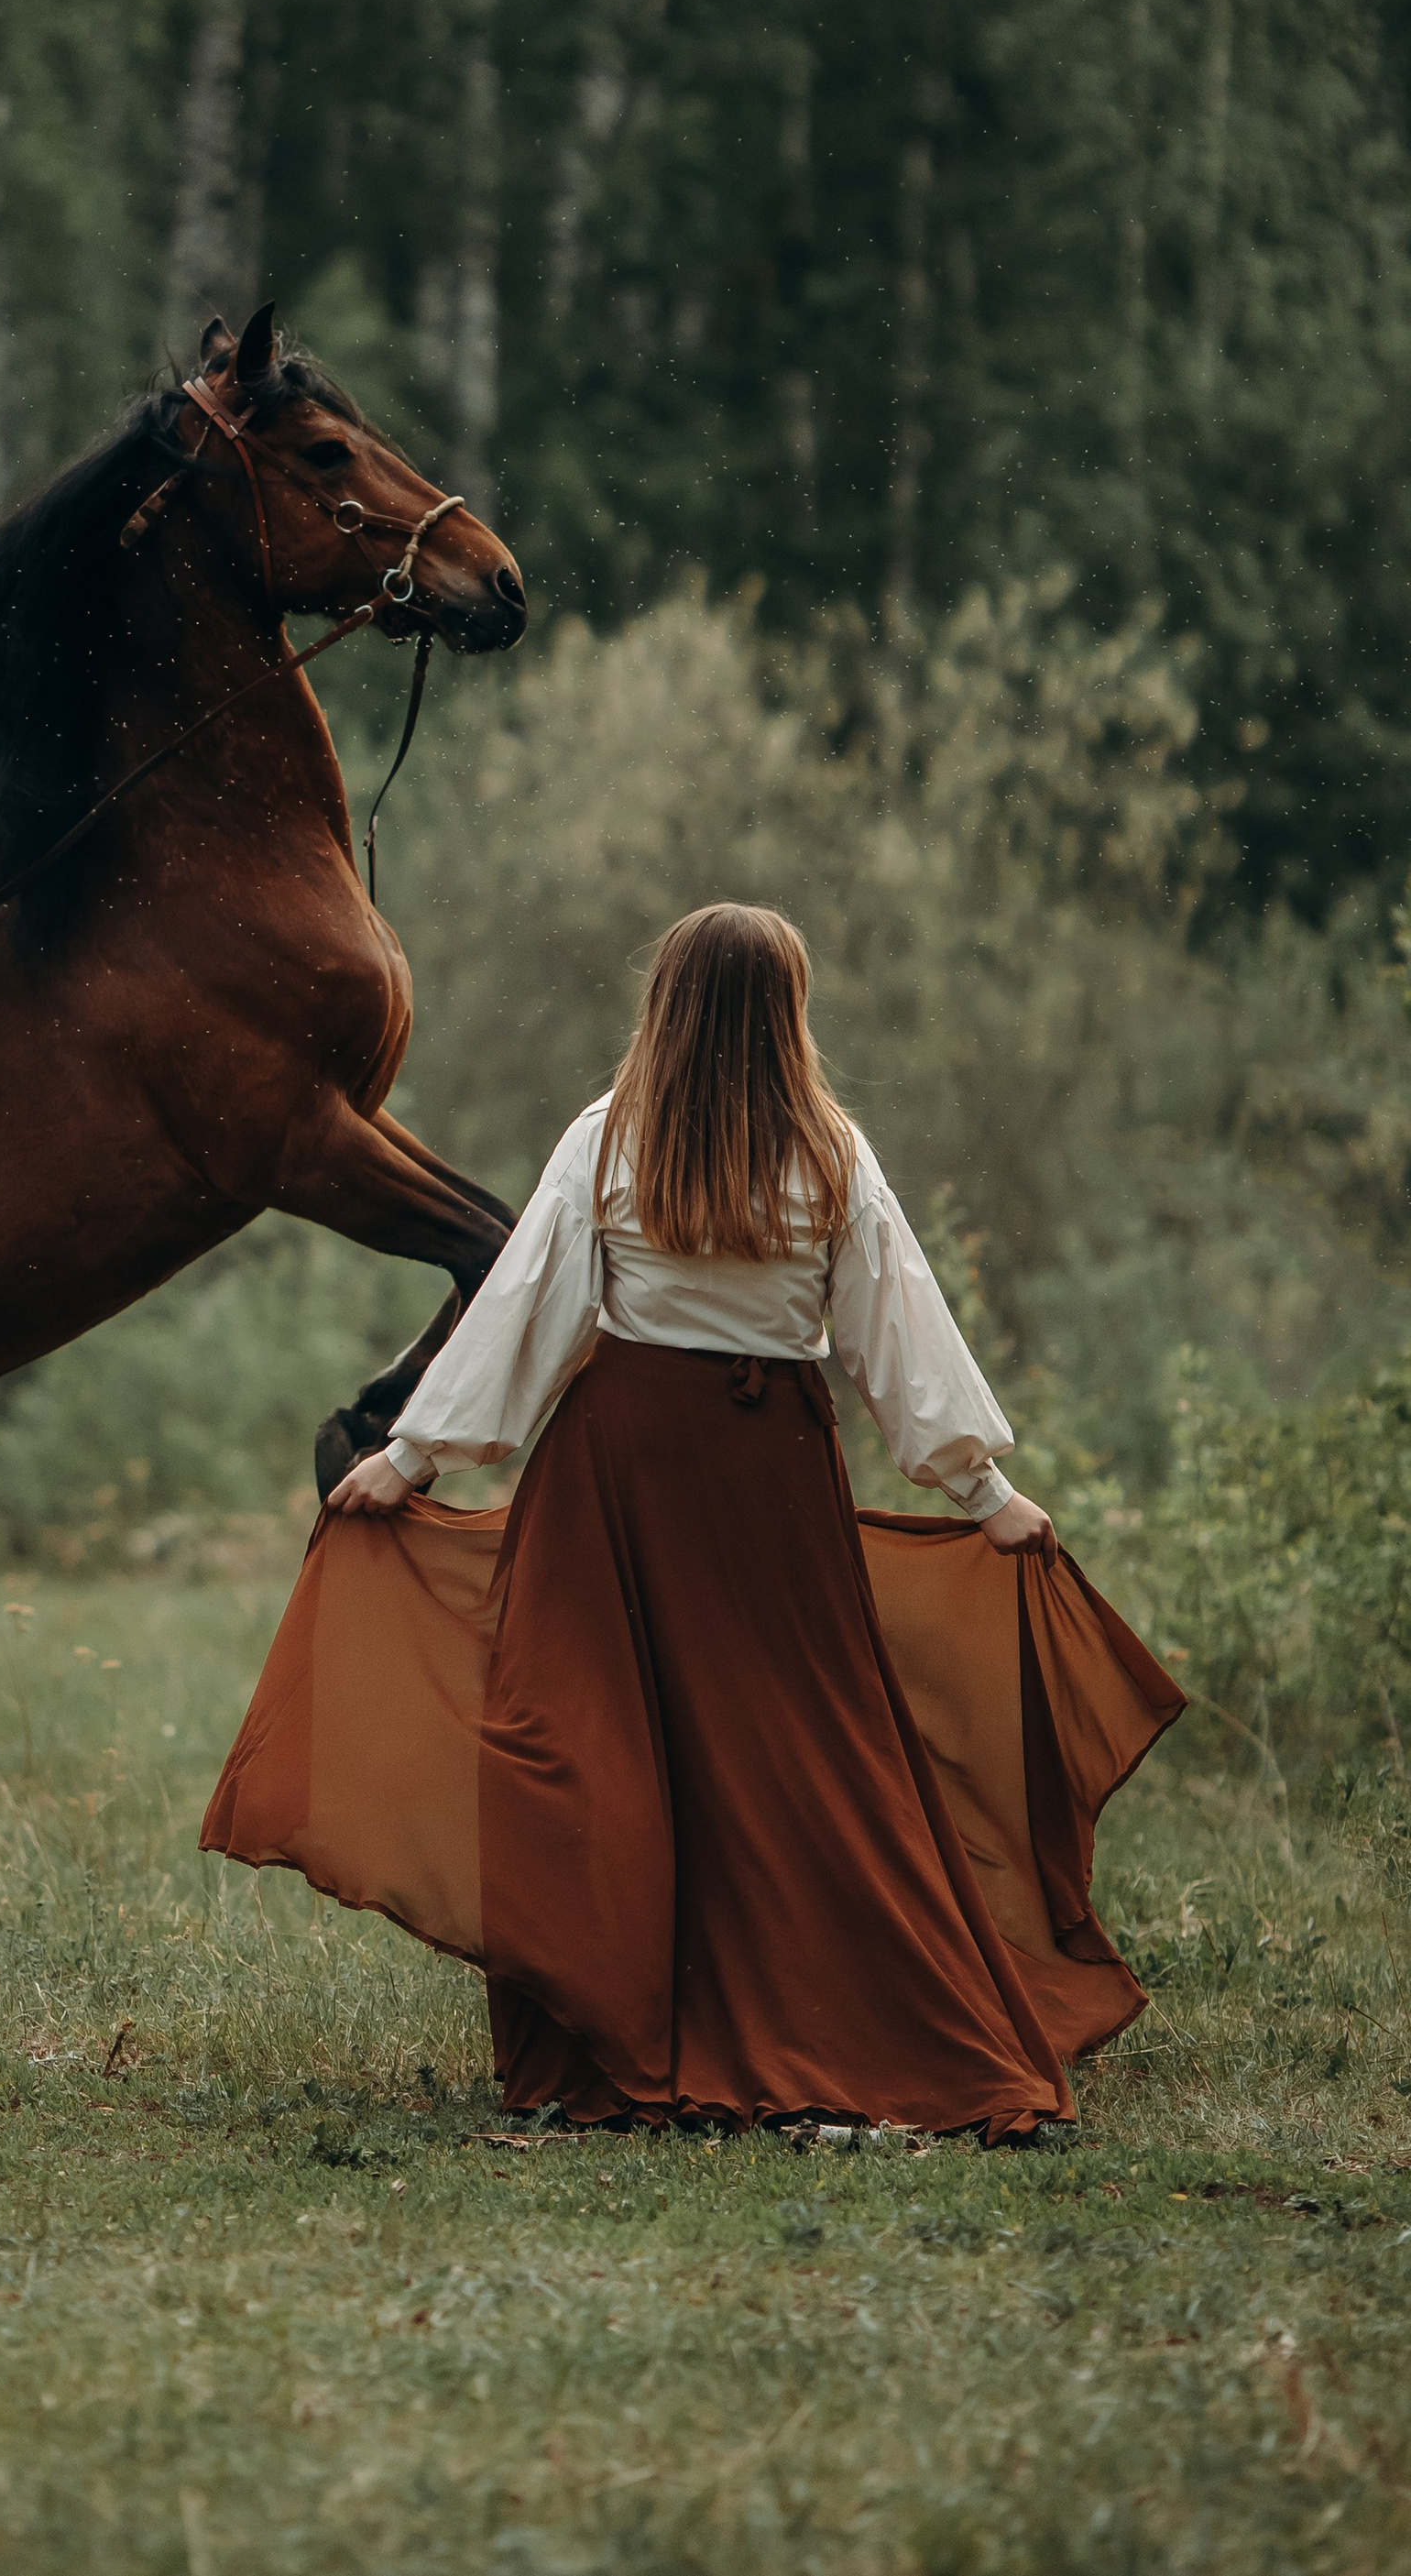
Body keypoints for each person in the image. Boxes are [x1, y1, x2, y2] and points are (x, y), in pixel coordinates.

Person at [202, 902, 1183, 2139]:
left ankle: (603, 2047)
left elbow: (532, 1310)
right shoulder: (830, 1151)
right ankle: (788, 2023)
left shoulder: (611, 1138)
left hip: (622, 1471)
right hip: (766, 1473)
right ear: (787, 1015)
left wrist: (412, 1454)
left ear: (665, 1005)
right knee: (800, 1755)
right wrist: (983, 1492)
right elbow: (900, 1335)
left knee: (581, 1745)